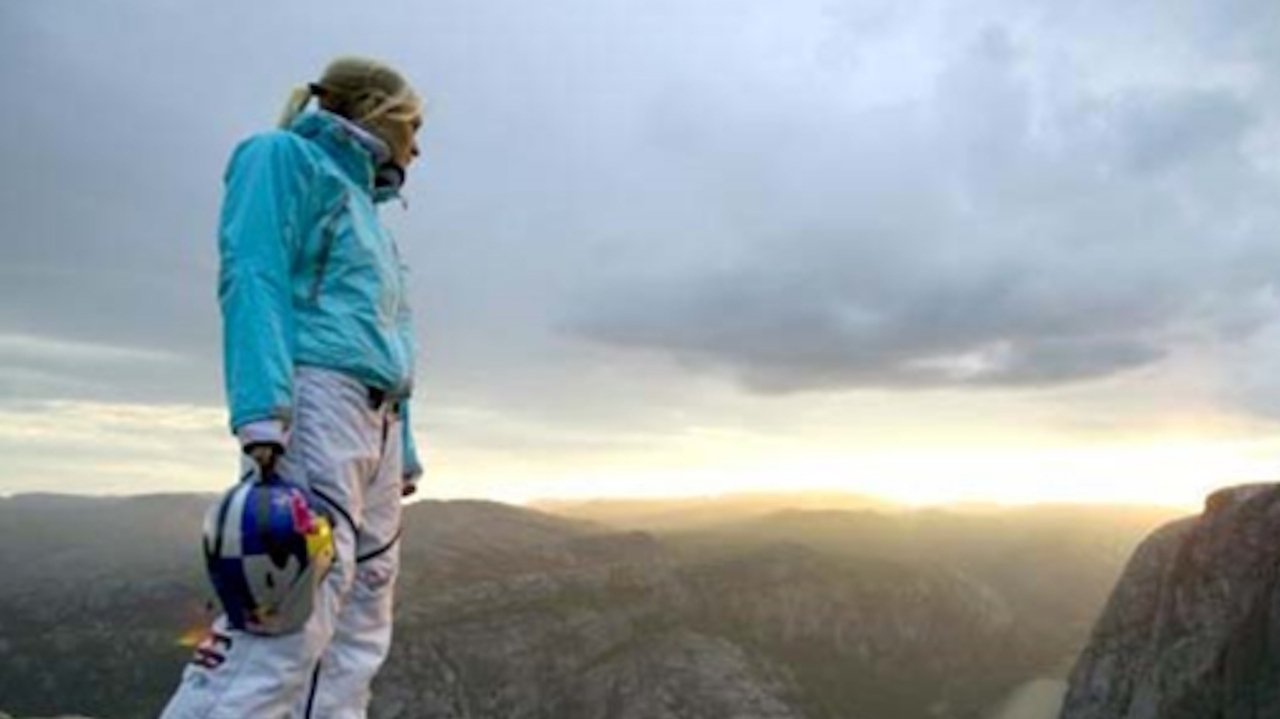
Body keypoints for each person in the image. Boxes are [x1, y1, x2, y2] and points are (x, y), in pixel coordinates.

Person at [161, 56, 426, 718]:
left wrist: (407, 445)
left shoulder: (370, 213)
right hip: (317, 400)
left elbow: (391, 334)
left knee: (364, 607)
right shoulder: (281, 157)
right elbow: (254, 273)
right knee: (288, 609)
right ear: (378, 112)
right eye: (413, 125)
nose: (418, 146)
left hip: (376, 418)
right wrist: (262, 410)